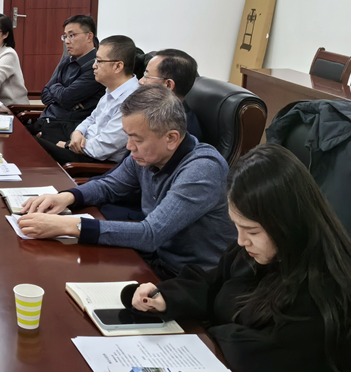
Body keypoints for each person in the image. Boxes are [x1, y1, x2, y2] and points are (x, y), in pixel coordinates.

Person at [131, 144, 351, 372]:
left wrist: (211, 329)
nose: (241, 240)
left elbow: (258, 359)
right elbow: (213, 283)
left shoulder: (325, 289)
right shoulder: (258, 252)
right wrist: (166, 296)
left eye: (251, 231)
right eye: (236, 226)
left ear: (287, 222)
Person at [19, 85, 235, 279]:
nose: (129, 146)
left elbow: (151, 234)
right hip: (155, 260)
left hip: (192, 278)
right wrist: (67, 197)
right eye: (128, 136)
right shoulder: (147, 154)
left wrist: (69, 226)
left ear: (171, 138)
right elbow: (109, 185)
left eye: (137, 139)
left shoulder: (202, 169)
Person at [35, 35, 138, 165]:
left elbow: (102, 148)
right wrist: (78, 132)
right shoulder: (111, 90)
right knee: (33, 139)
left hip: (94, 161)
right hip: (83, 146)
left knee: (33, 146)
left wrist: (68, 144)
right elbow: (91, 118)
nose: (94, 66)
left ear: (118, 66)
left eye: (99, 61)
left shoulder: (133, 100)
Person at [29, 15, 105, 143]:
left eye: (72, 35)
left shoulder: (96, 67)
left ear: (89, 36)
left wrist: (58, 90)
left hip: (66, 130)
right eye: (65, 36)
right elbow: (45, 95)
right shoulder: (67, 60)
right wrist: (62, 94)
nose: (67, 41)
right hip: (46, 121)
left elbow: (65, 98)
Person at [140, 49, 203, 141]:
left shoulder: (180, 130)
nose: (141, 81)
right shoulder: (155, 111)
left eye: (147, 76)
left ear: (168, 85)